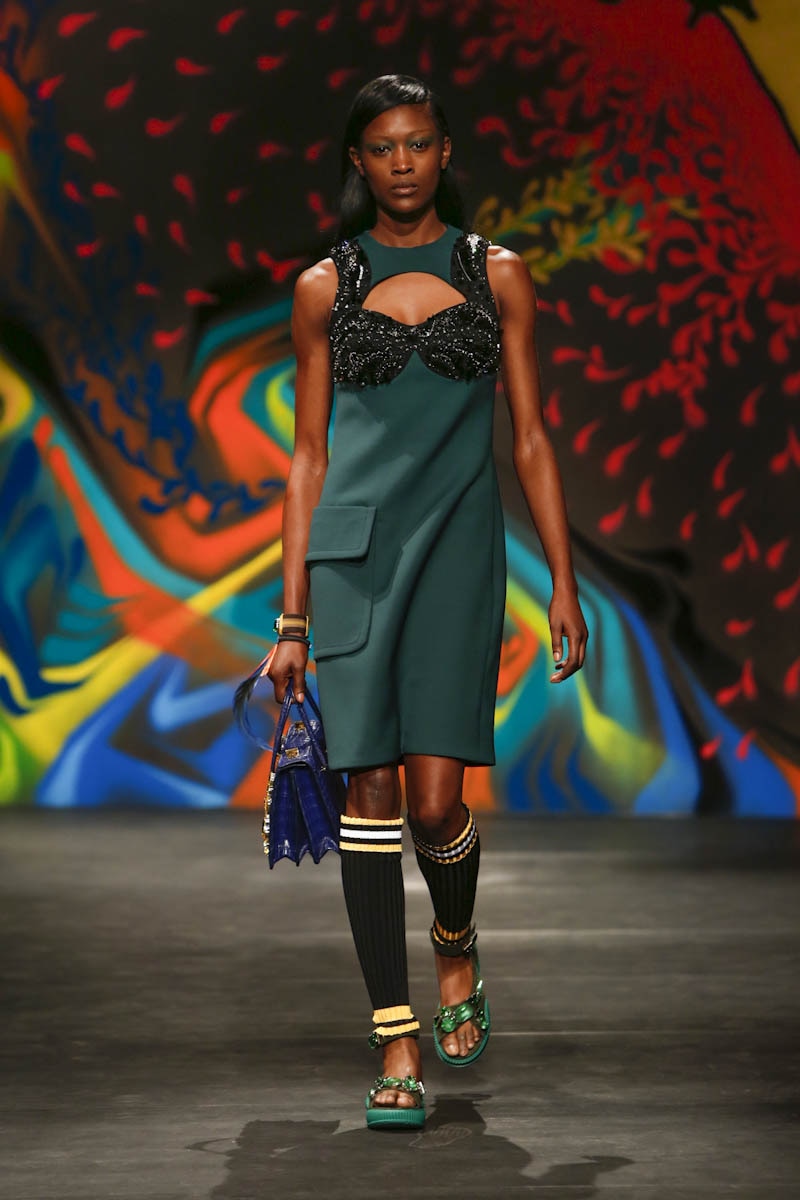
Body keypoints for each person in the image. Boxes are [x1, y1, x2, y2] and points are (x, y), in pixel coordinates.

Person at [266, 74, 588, 1129]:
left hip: (456, 553)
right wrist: (291, 618)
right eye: (381, 147)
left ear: (444, 152)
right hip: (354, 559)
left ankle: (455, 943)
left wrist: (562, 582)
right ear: (357, 163)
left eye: (417, 143)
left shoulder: (496, 273)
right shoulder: (324, 286)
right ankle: (394, 1041)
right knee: (370, 796)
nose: (400, 162)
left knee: (438, 802)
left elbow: (530, 438)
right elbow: (307, 458)